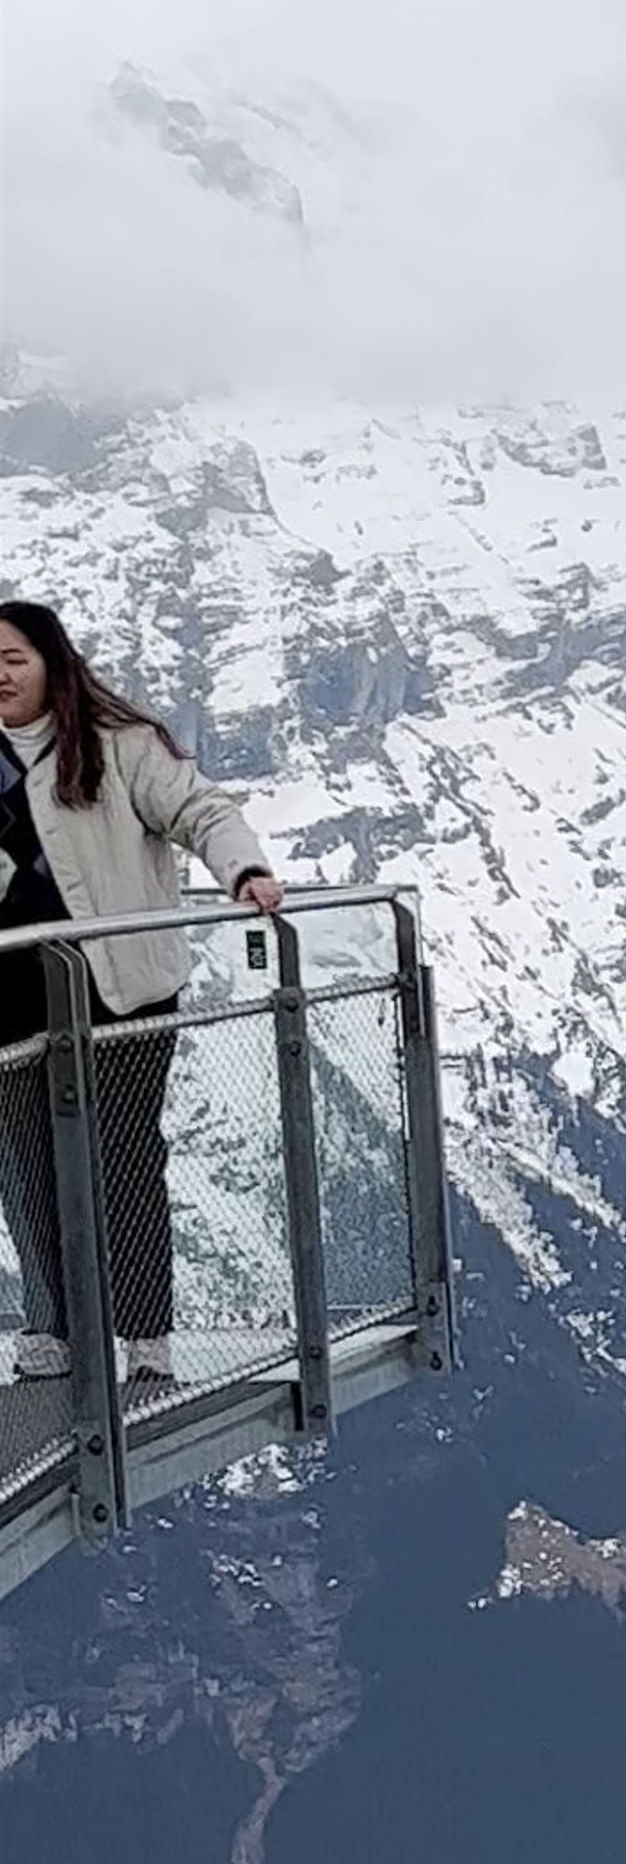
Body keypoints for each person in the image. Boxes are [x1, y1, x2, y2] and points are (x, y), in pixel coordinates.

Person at [0, 596, 282, 1401]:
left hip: (122, 988)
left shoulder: (120, 746)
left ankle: (146, 1336)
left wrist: (245, 871)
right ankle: (51, 1331)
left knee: (123, 1156)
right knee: (25, 1164)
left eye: (14, 657)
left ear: (53, 661)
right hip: (12, 996)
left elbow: (201, 810)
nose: (1, 676)